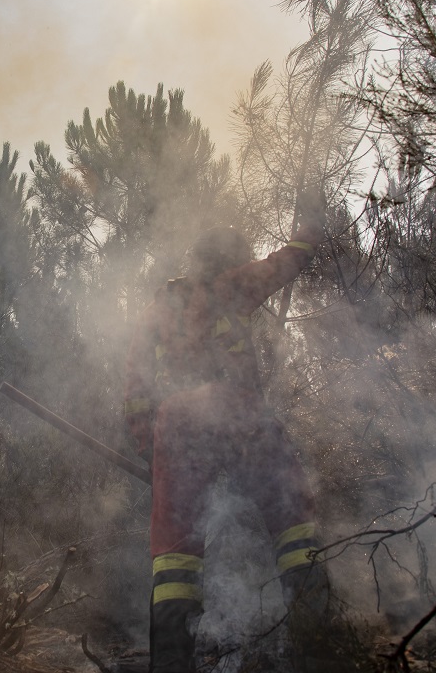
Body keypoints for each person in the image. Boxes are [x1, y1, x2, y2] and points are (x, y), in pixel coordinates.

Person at [123, 197, 333, 673]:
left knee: (174, 556)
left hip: (174, 425)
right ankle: (321, 652)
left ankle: (171, 666)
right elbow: (287, 261)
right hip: (238, 411)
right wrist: (312, 226)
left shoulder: (157, 308)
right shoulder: (230, 284)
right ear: (230, 259)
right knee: (293, 521)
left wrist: (152, 451)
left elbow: (135, 390)